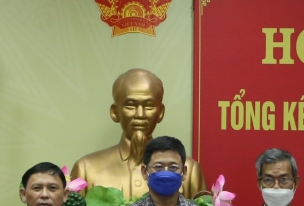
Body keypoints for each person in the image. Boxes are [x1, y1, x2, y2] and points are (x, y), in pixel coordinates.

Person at [70, 69, 207, 199]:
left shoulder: (188, 170)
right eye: (130, 105)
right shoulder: (86, 169)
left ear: (160, 112)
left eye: (149, 106)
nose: (140, 115)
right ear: (115, 112)